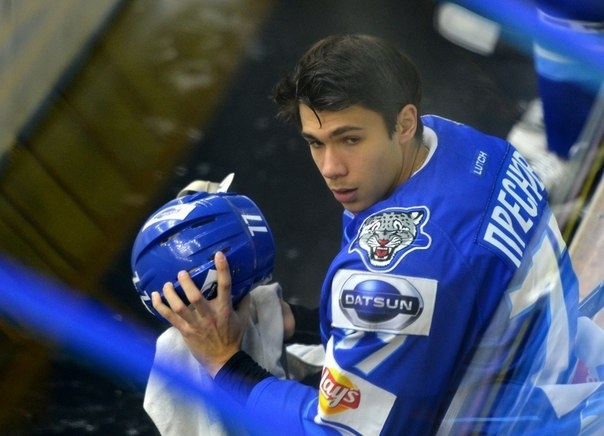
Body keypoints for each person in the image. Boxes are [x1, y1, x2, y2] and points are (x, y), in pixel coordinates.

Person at [150, 34, 600, 434]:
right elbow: (442, 308)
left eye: (350, 140)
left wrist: (225, 362)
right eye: (316, 142)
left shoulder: (394, 278)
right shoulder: (462, 143)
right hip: (553, 373)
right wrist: (299, 321)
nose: (331, 168)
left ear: (404, 122)